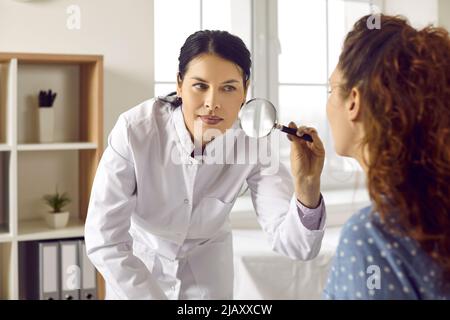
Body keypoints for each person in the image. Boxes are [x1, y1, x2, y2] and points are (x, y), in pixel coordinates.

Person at [85, 30, 327, 300]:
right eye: (200, 86)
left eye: (228, 88)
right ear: (179, 84)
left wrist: (307, 184)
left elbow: (297, 247)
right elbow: (104, 239)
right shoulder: (134, 130)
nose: (212, 103)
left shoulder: (254, 143)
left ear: (245, 91)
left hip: (208, 274)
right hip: (138, 272)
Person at [323, 14, 450, 299]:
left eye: (332, 90)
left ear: (354, 101)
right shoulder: (438, 211)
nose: (328, 104)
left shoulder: (371, 236)